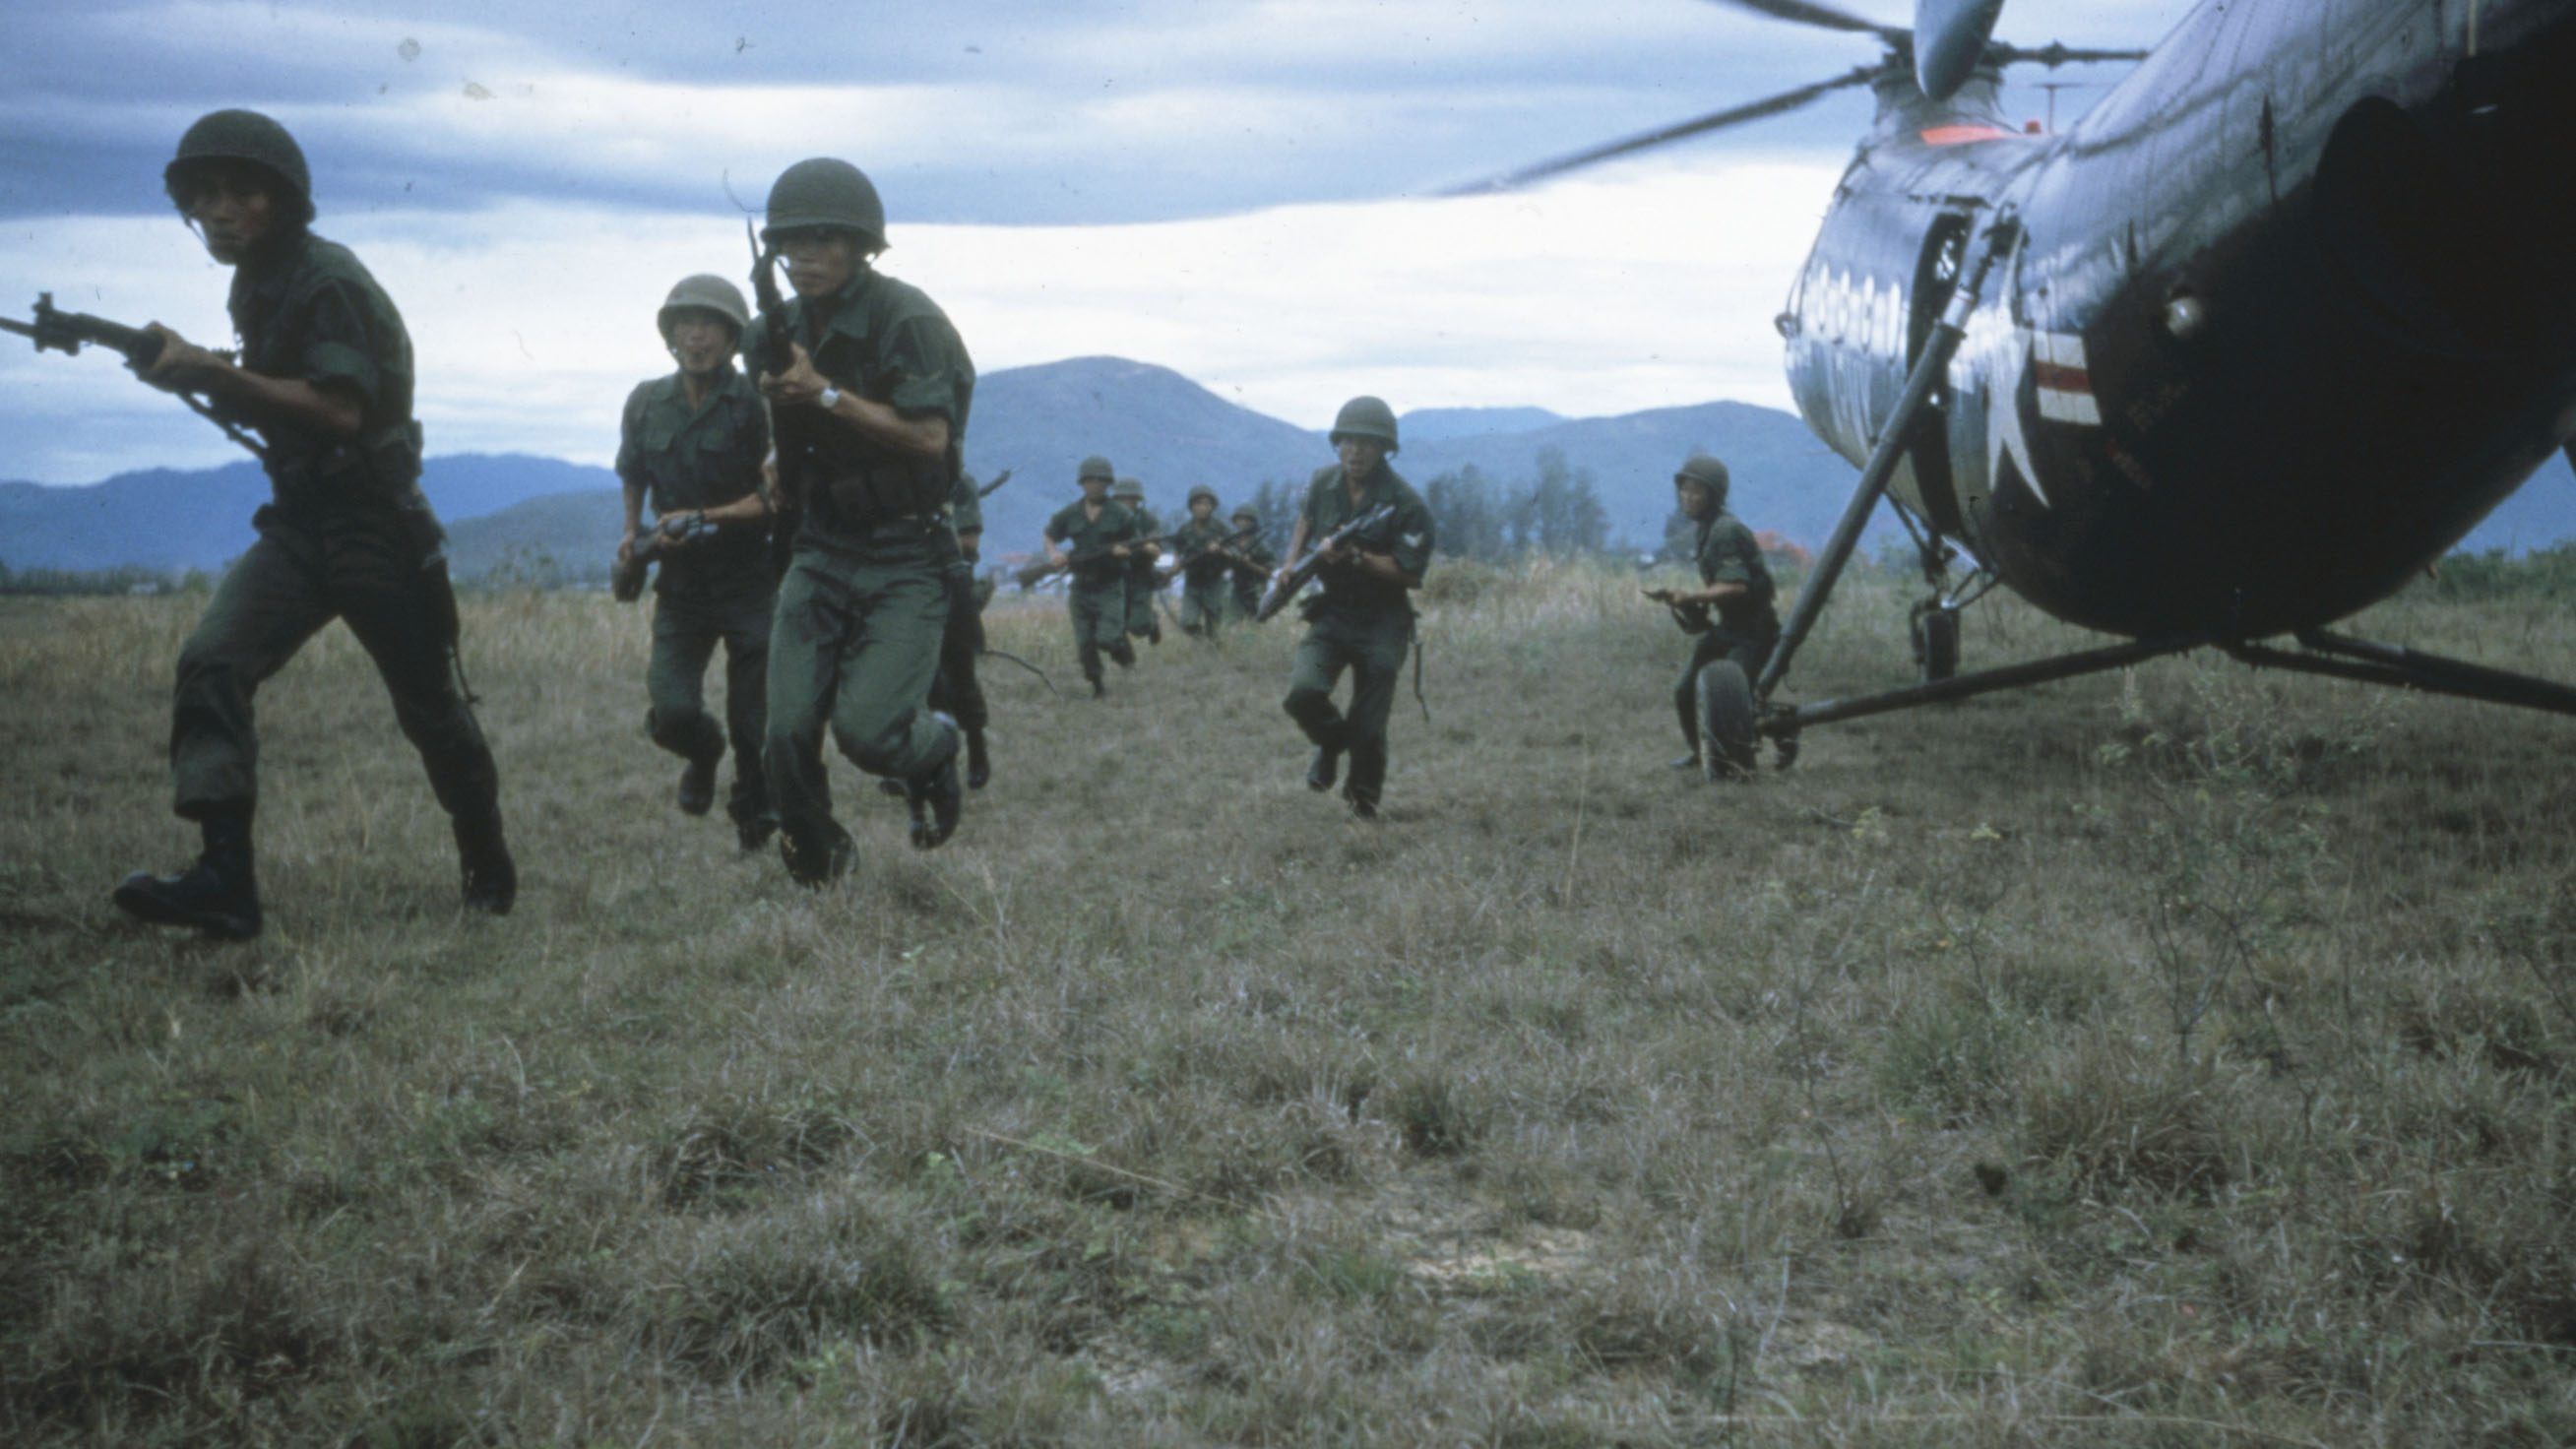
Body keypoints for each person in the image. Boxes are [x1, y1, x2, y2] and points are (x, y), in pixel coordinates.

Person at [112, 109, 512, 940]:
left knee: (430, 707)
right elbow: (270, 393)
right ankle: (225, 880)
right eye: (205, 196)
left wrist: (208, 368)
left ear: (284, 201)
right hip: (299, 522)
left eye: (242, 193)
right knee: (212, 660)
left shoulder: (326, 279)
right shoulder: (256, 279)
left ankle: (485, 861)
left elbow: (336, 408)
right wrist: (192, 373)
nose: (221, 211)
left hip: (372, 525)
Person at [746, 157, 974, 884]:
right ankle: (819, 869)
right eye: (790, 244)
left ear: (860, 246)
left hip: (906, 549)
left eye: (823, 242)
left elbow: (930, 437)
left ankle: (935, 749)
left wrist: (826, 395)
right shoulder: (773, 328)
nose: (804, 258)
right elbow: (785, 415)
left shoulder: (905, 320)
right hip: (820, 543)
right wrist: (778, 462)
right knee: (780, 732)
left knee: (869, 734)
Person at [616, 274, 777, 850]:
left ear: (731, 337)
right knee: (672, 709)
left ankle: (755, 821)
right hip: (680, 583)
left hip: (749, 580)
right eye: (685, 324)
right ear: (670, 334)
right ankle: (703, 753)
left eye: (708, 324)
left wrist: (705, 517)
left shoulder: (757, 405)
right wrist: (632, 534)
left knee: (753, 720)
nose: (696, 336)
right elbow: (633, 473)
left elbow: (774, 499)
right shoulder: (645, 402)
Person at [1278, 396, 1434, 819]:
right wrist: (1291, 563)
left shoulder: (1406, 503)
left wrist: (1358, 558)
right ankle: (1330, 741)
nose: (1356, 451)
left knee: (1369, 724)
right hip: (1332, 612)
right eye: (1348, 441)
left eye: (1367, 443)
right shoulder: (1324, 482)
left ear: (1385, 449)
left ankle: (1363, 804)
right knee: (1303, 694)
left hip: (1383, 619)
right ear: (1337, 444)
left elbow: (1410, 573)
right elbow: (1306, 518)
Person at [1643, 454, 1779, 779]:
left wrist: (1692, 596)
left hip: (1753, 631)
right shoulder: (1708, 529)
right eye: (1684, 490)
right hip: (1730, 627)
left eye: (1697, 492)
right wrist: (1690, 605)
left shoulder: (1724, 531)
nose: (1687, 498)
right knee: (1685, 690)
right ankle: (1699, 751)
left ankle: (1736, 762)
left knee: (1734, 695)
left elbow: (1736, 586)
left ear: (1713, 496)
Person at [1040, 456, 1145, 697]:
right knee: (1085, 643)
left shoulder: (1120, 513)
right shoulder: (1070, 513)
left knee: (1106, 637)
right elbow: (1049, 534)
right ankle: (1098, 687)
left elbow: (1137, 544)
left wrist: (1124, 550)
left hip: (1110, 585)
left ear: (1109, 484)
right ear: (1082, 482)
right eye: (1090, 480)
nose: (1095, 485)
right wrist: (1054, 554)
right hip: (1081, 586)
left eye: (1101, 481)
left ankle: (1122, 652)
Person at [932, 469, 994, 788]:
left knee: (959, 676)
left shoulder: (960, 481)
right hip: (903, 587)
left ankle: (976, 746)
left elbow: (968, 542)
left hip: (950, 585)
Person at [1162, 484, 1237, 640]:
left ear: (1212, 507)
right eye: (1199, 503)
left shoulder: (1221, 528)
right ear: (1191, 506)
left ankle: (1212, 654)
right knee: (1187, 622)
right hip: (1193, 582)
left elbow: (1235, 553)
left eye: (1207, 504)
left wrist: (1220, 549)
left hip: (1214, 582)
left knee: (1214, 628)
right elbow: (1178, 553)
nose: (1203, 508)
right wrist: (1171, 572)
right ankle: (1201, 643)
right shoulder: (1184, 530)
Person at [1113, 476, 1165, 647]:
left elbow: (1157, 547)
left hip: (1141, 576)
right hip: (1116, 577)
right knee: (1116, 620)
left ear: (1138, 500)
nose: (1127, 502)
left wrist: (1147, 546)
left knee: (1139, 626)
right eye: (1122, 498)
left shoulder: (1148, 520)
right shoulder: (1109, 520)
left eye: (1131, 498)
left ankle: (1152, 622)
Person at [1225, 503, 1278, 621]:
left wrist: (1249, 564)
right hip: (1236, 586)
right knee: (1231, 621)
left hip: (1256, 588)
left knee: (1256, 621)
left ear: (1253, 522)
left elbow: (1269, 572)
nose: (1243, 523)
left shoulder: (1261, 545)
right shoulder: (1231, 541)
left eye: (1247, 519)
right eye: (1240, 519)